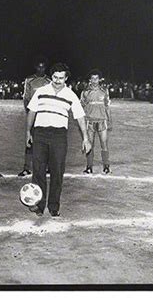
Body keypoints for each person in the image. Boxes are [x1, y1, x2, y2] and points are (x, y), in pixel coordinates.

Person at [25, 62, 91, 217]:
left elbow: (80, 117)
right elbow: (32, 112)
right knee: (38, 170)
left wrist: (86, 138)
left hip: (59, 136)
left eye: (61, 78)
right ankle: (39, 205)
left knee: (57, 170)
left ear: (66, 78)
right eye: (55, 77)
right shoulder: (41, 91)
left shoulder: (70, 95)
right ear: (51, 76)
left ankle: (54, 206)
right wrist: (28, 132)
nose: (57, 80)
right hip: (40, 133)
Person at [18, 57, 50, 176]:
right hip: (33, 114)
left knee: (46, 141)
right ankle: (26, 167)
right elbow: (26, 98)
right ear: (35, 67)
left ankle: (48, 167)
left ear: (45, 68)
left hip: (46, 115)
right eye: (39, 66)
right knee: (30, 141)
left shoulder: (49, 81)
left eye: (43, 67)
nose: (41, 69)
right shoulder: (29, 80)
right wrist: (29, 112)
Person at [81, 69, 112, 174]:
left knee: (104, 144)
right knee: (89, 144)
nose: (94, 80)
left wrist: (110, 120)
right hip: (90, 121)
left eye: (96, 78)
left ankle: (106, 166)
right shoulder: (85, 92)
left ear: (99, 79)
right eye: (92, 78)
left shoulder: (104, 91)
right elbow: (81, 107)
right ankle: (89, 167)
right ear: (90, 80)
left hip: (102, 121)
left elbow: (107, 107)